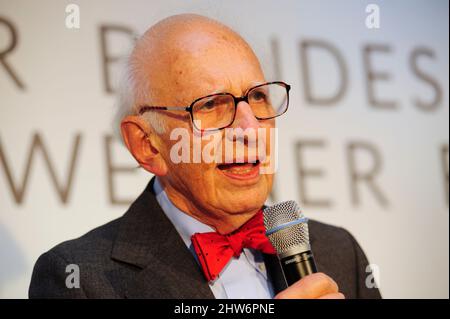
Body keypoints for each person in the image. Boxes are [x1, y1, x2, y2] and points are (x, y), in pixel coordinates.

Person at [29, 14, 381, 299]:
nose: (250, 128)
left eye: (258, 98)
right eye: (211, 104)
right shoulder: (77, 279)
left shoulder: (339, 251)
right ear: (147, 145)